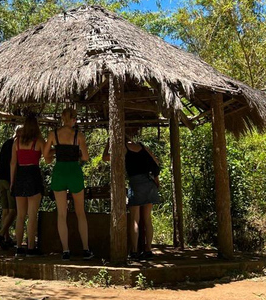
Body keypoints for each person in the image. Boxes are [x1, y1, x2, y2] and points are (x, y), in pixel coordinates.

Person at [43, 107, 93, 260]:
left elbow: (45, 156)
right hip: (74, 172)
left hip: (59, 172)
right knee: (80, 213)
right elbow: (85, 157)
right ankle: (85, 249)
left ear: (62, 118)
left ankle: (65, 251)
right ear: (73, 119)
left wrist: (57, 151)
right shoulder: (79, 135)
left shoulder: (53, 134)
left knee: (61, 214)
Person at [102, 127, 160, 260]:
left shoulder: (123, 149)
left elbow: (105, 158)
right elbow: (156, 163)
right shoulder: (142, 146)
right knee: (147, 219)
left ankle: (134, 251)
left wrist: (108, 143)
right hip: (149, 183)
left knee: (135, 219)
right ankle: (148, 250)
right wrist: (156, 181)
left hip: (136, 184)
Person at [10, 116, 45, 257]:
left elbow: (13, 163)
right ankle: (31, 247)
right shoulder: (39, 142)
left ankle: (18, 247)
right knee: (32, 215)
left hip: (20, 176)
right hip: (33, 175)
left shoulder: (16, 142)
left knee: (20, 215)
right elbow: (48, 157)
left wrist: (12, 182)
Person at [0, 126, 20, 250]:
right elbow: (13, 163)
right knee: (13, 211)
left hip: (0, 179)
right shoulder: (16, 145)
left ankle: (6, 237)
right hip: (9, 180)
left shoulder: (6, 143)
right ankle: (1, 234)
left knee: (5, 210)